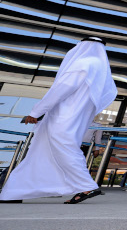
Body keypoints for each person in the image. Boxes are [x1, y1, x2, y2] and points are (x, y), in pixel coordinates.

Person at [0, 37, 117, 204]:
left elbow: (60, 90)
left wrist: (36, 111)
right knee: (39, 154)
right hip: (75, 118)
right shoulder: (101, 69)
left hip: (63, 118)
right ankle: (14, 192)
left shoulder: (83, 63)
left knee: (66, 149)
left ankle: (86, 185)